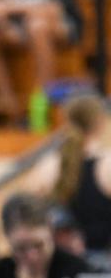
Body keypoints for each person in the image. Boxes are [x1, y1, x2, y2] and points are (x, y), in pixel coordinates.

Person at [49, 94, 111, 260]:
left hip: (63, 263)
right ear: (100, 121)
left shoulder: (51, 165)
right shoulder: (107, 164)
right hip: (102, 265)